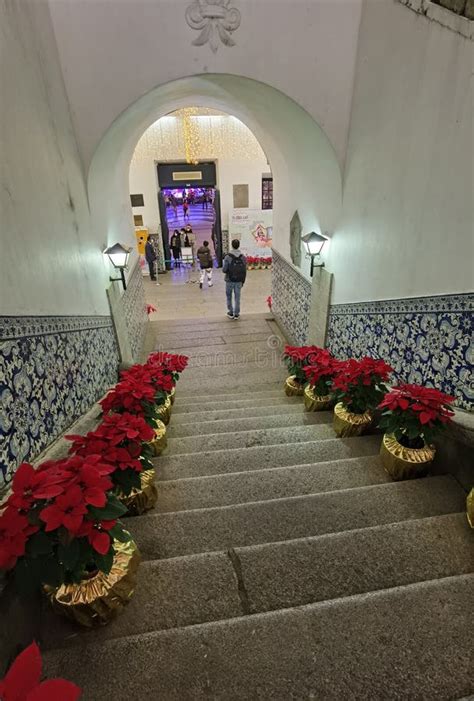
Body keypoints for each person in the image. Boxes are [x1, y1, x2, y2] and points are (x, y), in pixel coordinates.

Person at [222, 239, 247, 320]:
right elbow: (244, 270)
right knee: (237, 297)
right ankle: (237, 314)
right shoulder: (243, 257)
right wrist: (243, 280)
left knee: (229, 296)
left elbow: (224, 270)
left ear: (232, 245)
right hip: (239, 280)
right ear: (238, 245)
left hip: (229, 280)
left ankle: (231, 312)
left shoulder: (227, 257)